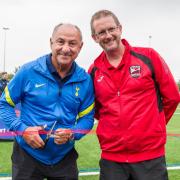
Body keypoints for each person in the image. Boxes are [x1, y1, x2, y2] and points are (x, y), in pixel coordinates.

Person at [88, 10, 180, 180]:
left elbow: (172, 97)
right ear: (95, 37)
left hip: (150, 158)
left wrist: (153, 125)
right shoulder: (94, 70)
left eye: (111, 29)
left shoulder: (148, 56)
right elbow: (95, 109)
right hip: (112, 160)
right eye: (101, 32)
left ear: (120, 29)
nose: (108, 35)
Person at [0, 23, 94, 180]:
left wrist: (73, 133)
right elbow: (4, 104)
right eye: (60, 41)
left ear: (81, 46)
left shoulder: (85, 80)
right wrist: (22, 129)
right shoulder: (28, 71)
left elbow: (87, 118)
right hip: (27, 156)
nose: (65, 48)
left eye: (72, 43)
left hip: (64, 157)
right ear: (51, 42)